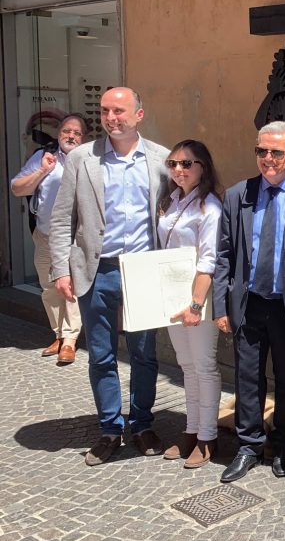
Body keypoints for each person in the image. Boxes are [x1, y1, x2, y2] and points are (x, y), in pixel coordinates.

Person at [48, 87, 171, 465]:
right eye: (104, 111)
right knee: (100, 355)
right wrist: (60, 269)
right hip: (96, 269)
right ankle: (109, 429)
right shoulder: (82, 158)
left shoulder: (161, 159)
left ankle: (142, 424)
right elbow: (61, 217)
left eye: (119, 111)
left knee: (145, 354)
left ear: (139, 114)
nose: (111, 118)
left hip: (143, 270)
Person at [213, 121, 285, 482]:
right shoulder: (238, 194)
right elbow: (224, 254)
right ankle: (249, 445)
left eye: (276, 152)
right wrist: (220, 307)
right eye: (261, 151)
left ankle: (284, 443)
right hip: (249, 302)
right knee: (247, 377)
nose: (267, 158)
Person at [157, 140, 224, 469]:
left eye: (187, 164)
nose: (179, 170)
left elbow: (208, 261)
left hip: (198, 299)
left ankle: (208, 436)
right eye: (173, 164)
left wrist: (196, 306)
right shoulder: (170, 201)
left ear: (203, 167)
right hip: (172, 296)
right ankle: (191, 429)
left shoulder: (209, 207)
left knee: (204, 367)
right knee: (186, 366)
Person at [10, 113, 88, 365]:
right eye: (67, 131)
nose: (71, 136)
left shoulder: (90, 159)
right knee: (49, 287)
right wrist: (43, 171)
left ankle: (69, 339)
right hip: (44, 234)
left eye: (76, 133)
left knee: (72, 286)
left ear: (83, 138)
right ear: (59, 134)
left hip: (75, 236)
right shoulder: (44, 157)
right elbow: (17, 188)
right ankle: (57, 333)